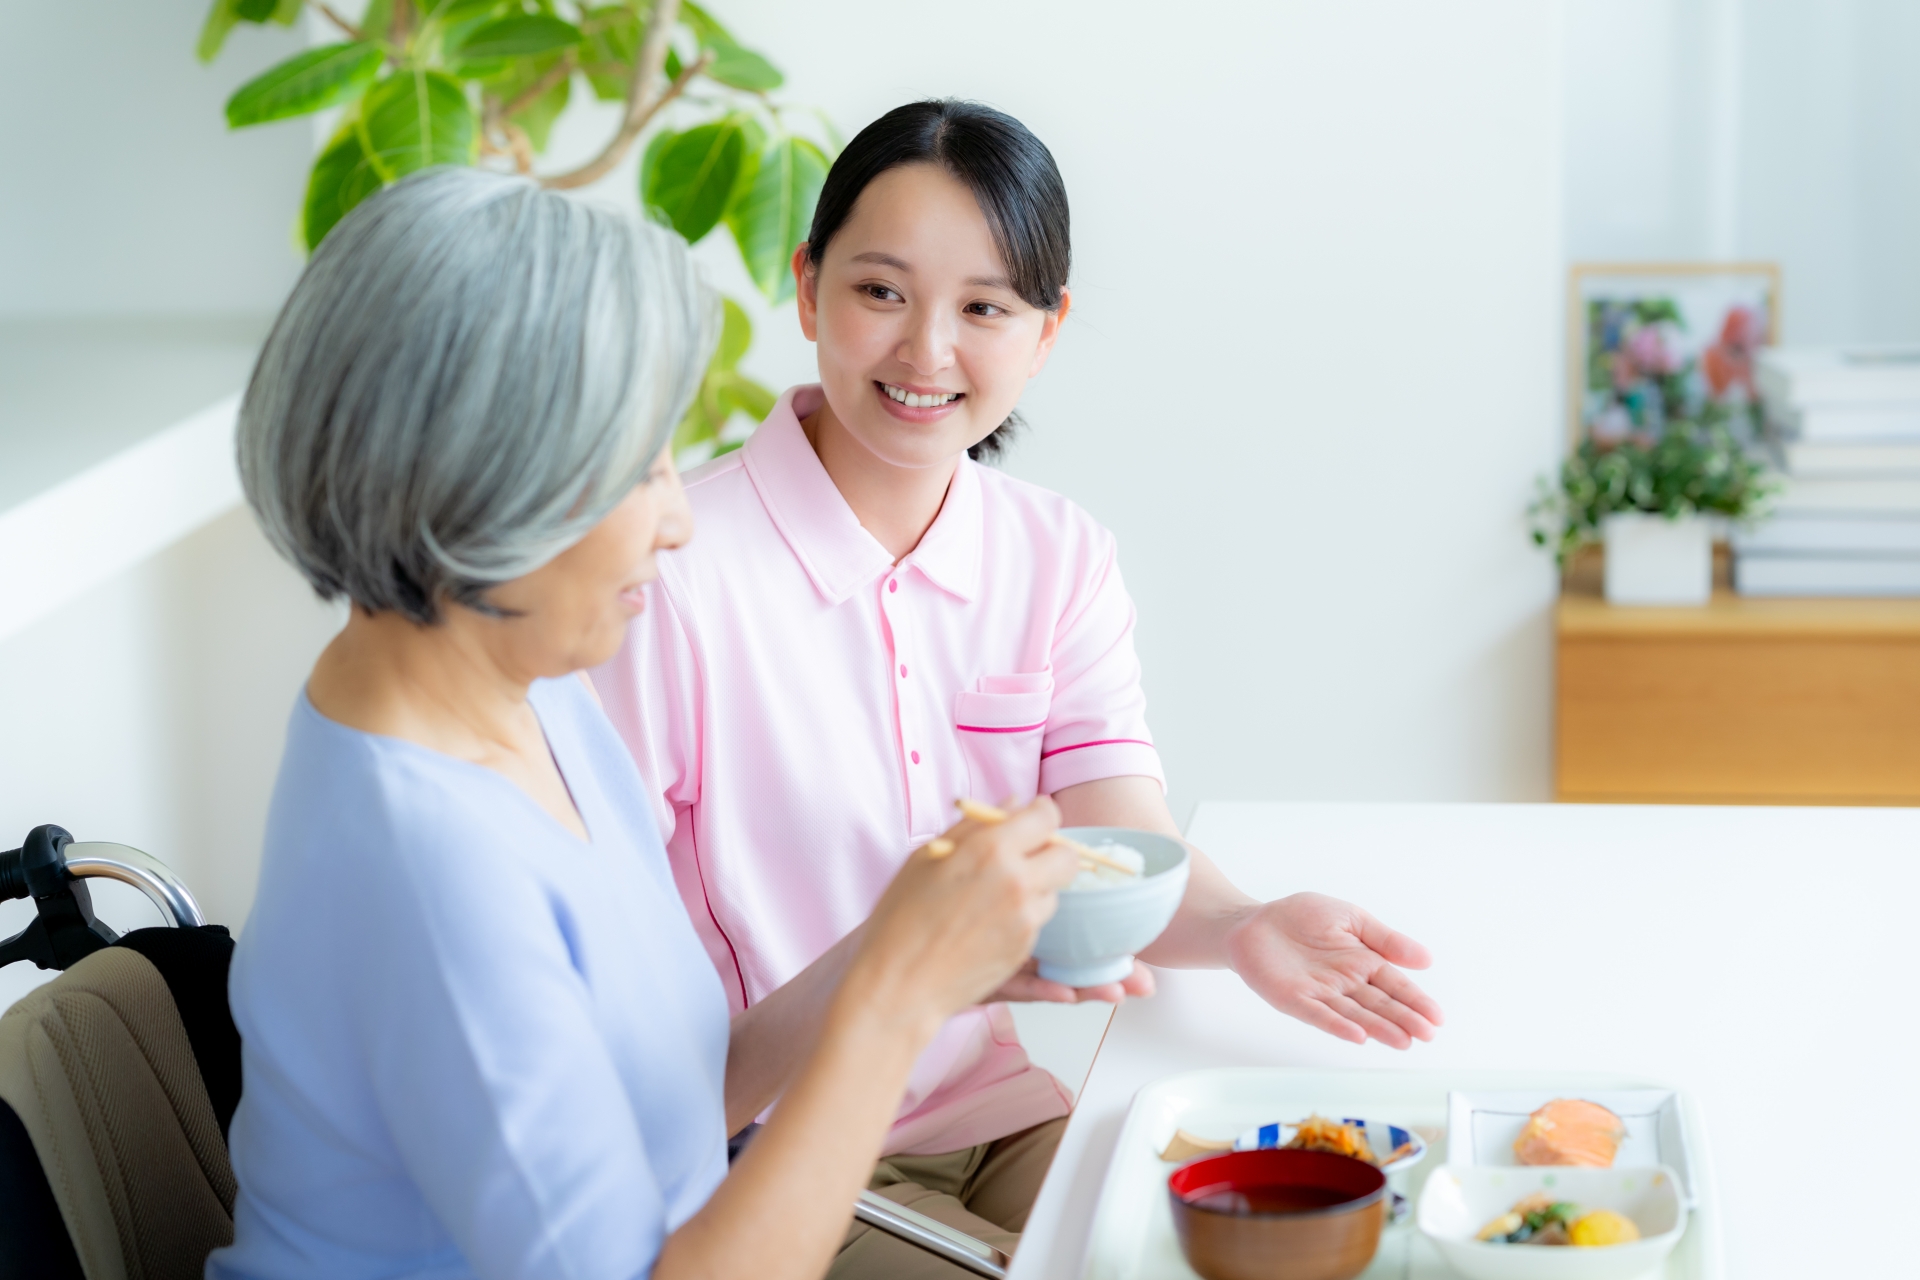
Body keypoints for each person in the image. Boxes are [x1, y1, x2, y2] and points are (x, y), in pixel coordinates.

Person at [592, 99, 1446, 1271]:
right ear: (807, 288)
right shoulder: (670, 570)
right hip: (771, 1152)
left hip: (994, 1115)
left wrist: (1244, 923)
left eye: (984, 307)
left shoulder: (1057, 556)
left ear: (1046, 333)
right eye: (880, 291)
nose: (927, 350)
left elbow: (1119, 842)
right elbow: (609, 1011)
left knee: (1266, 1245)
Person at [206, 166, 1083, 1280]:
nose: (679, 520)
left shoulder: (527, 690)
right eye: (640, 469)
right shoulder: (424, 855)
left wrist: (916, 942)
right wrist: (896, 996)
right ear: (481, 482)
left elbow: (677, 1085)